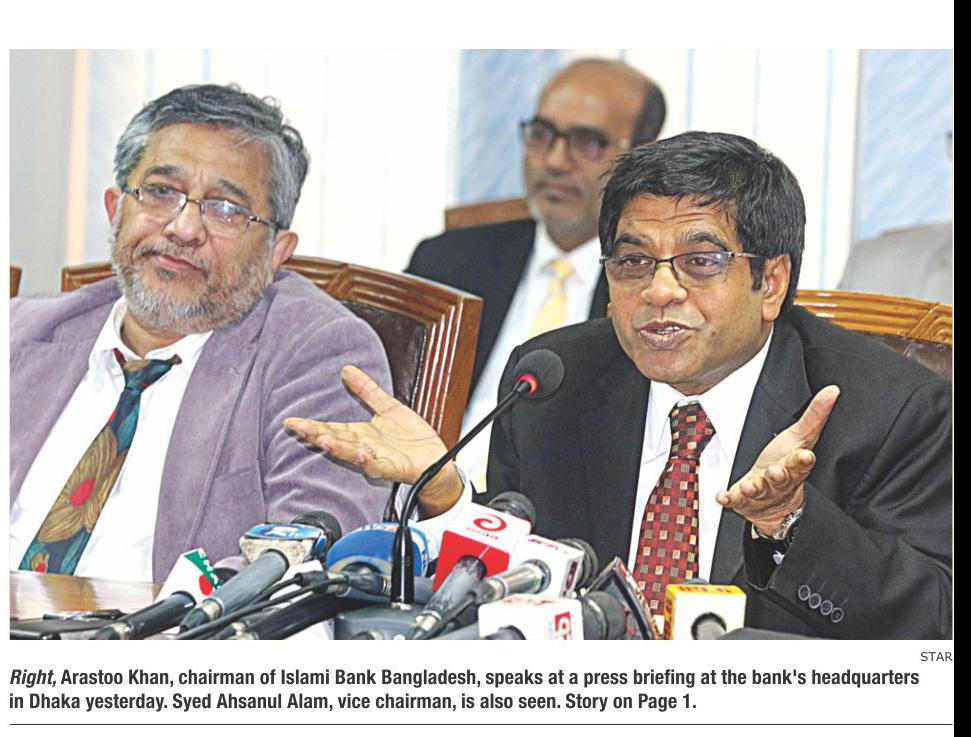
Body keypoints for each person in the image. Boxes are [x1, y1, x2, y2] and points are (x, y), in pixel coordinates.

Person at [287, 132, 952, 639]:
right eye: (633, 261)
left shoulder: (891, 407)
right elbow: (525, 567)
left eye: (700, 262)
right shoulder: (554, 381)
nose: (659, 290)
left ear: (770, 282)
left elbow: (933, 621)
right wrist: (448, 494)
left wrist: (789, 521)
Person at [9, 84, 447, 583]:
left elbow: (303, 556)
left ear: (278, 251)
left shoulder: (319, 353)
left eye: (226, 209)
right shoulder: (20, 332)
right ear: (115, 209)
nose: (184, 228)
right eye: (161, 191)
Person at [407, 58, 666, 483]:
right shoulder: (448, 261)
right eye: (542, 134)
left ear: (641, 158)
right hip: (431, 498)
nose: (556, 161)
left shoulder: (658, 290)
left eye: (587, 141)